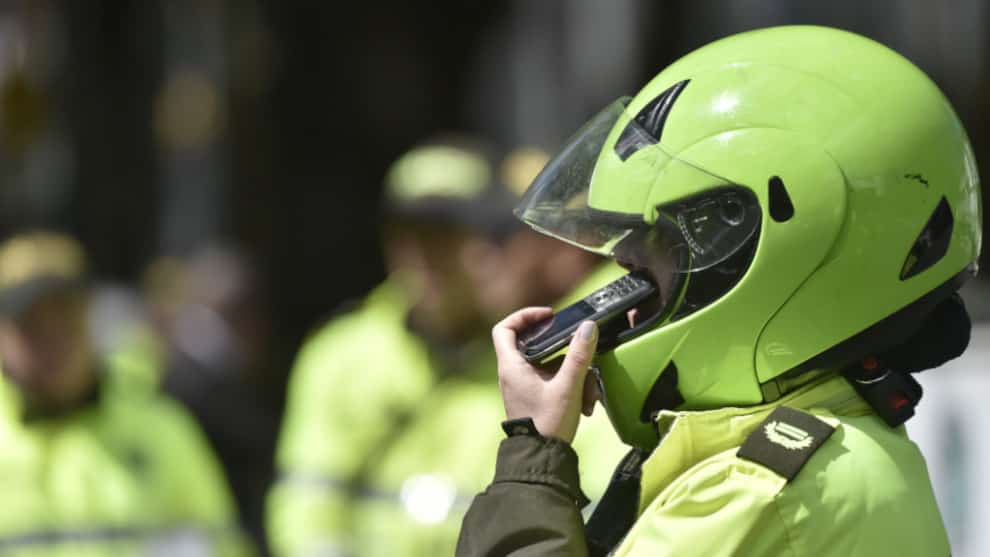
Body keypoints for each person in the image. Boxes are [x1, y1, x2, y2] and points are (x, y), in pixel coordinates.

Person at [457, 25, 981, 556]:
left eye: (656, 237)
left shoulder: (760, 493)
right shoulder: (828, 457)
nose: (622, 261)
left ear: (768, 239)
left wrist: (532, 456)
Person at [267, 140, 628, 556]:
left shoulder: (541, 357)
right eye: (408, 236)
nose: (422, 258)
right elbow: (307, 506)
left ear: (488, 247)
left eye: (445, 238)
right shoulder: (343, 352)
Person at [0, 231, 254, 556]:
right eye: (32, 327)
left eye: (64, 320)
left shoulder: (162, 431)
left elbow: (222, 544)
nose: (52, 342)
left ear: (90, 316)